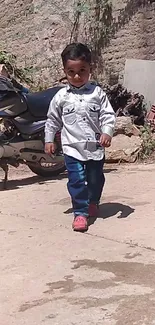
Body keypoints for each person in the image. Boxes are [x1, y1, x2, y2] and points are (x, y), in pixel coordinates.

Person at [45, 43, 116, 232]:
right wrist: (49, 139)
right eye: (71, 72)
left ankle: (93, 200)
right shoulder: (61, 97)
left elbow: (108, 115)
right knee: (76, 180)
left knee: (95, 178)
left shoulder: (97, 93)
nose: (77, 76)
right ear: (65, 71)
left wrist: (107, 132)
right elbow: (52, 120)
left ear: (90, 69)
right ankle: (80, 213)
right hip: (72, 147)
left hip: (94, 146)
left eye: (82, 71)